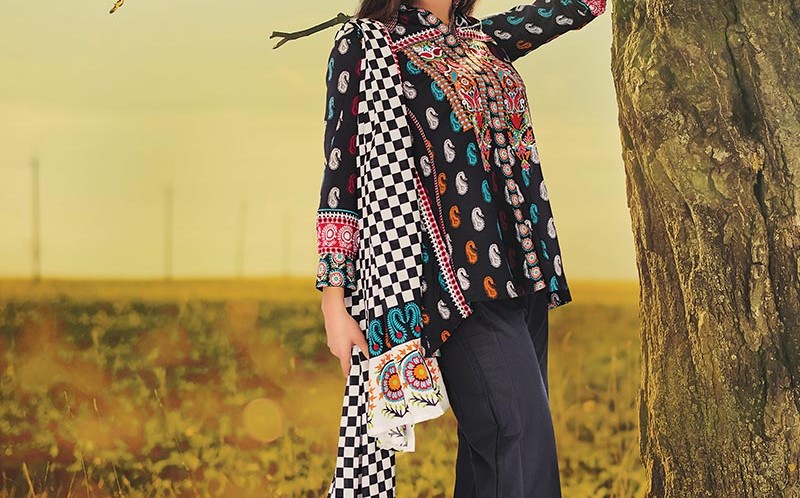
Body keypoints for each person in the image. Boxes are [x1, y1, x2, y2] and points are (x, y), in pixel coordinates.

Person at [314, 0, 607, 496]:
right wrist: (333, 299)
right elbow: (341, 175)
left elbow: (577, 6)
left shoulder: (484, 39)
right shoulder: (367, 45)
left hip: (524, 275)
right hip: (452, 284)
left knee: (491, 453)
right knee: (518, 439)